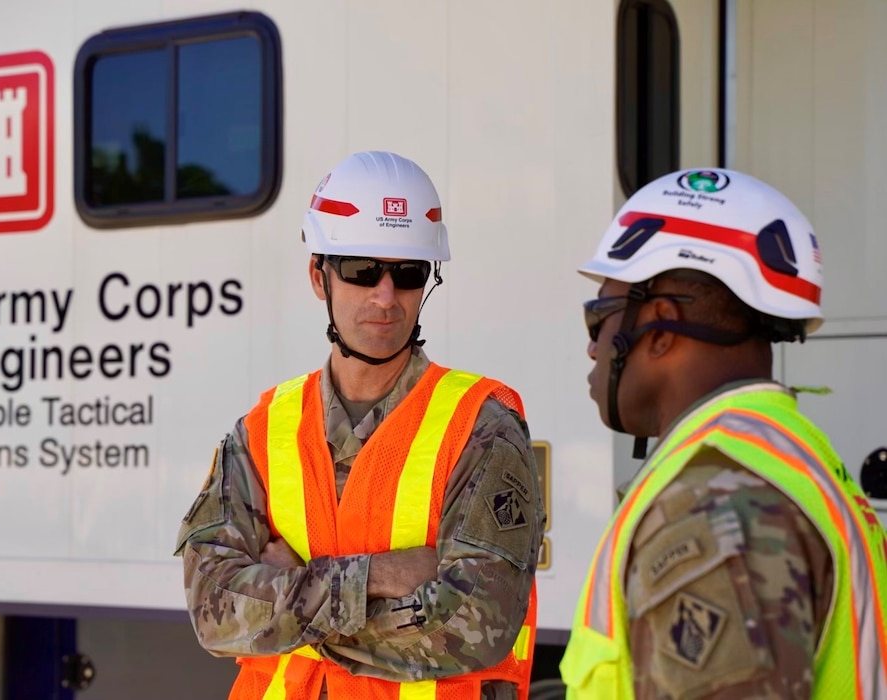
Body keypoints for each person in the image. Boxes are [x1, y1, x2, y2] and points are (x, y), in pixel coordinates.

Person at [175, 150, 546, 699]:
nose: (385, 296)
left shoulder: (481, 426)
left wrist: (289, 605)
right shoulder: (262, 430)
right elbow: (213, 612)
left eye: (409, 273)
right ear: (319, 278)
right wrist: (375, 578)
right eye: (361, 270)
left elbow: (475, 626)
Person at [559, 167, 887, 699]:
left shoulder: (717, 504)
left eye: (599, 319)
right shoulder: (790, 455)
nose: (594, 347)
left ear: (660, 328)